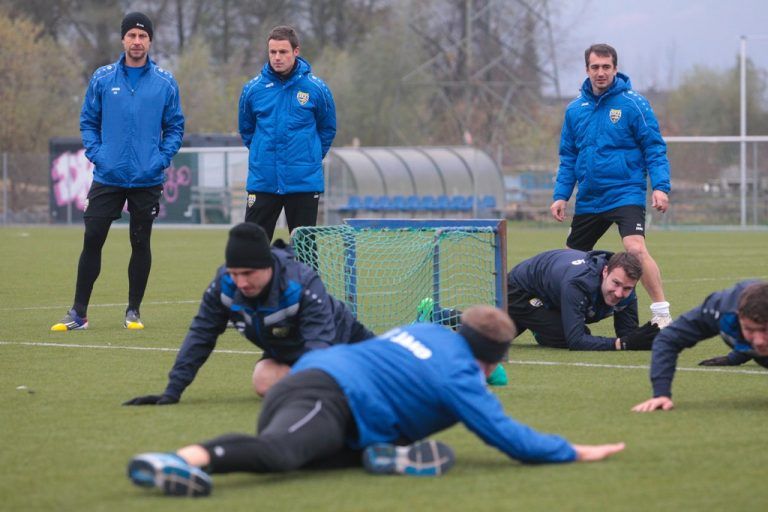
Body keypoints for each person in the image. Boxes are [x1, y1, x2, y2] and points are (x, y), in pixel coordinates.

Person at [126, 305, 625, 497]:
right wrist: (575, 450)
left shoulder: (428, 330)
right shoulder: (459, 376)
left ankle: (380, 454)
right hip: (326, 397)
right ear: (492, 358)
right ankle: (183, 461)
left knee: (321, 459)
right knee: (281, 454)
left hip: (324, 397)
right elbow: (510, 439)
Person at [123, 223, 374, 403]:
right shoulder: (224, 285)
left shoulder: (302, 283)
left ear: (267, 266)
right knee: (263, 380)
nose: (240, 282)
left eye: (248, 274)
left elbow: (319, 345)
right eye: (234, 273)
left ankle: (354, 381)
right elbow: (201, 334)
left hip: (344, 345)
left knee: (382, 377)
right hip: (290, 354)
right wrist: (172, 391)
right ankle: (340, 385)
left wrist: (313, 386)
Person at [50, 12, 185, 332]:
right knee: (92, 238)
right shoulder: (102, 78)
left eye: (142, 36)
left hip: (147, 178)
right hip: (108, 177)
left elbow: (176, 126)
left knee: (141, 242)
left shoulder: (165, 82)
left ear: (150, 41)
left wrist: (161, 158)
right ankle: (79, 313)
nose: (136, 42)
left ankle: (133, 311)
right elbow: (88, 121)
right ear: (123, 39)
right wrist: (99, 156)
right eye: (131, 36)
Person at [550, 43, 672, 328]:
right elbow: (568, 157)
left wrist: (660, 186)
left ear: (615, 69)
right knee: (569, 260)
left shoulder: (633, 104)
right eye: (595, 67)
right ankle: (561, 315)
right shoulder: (574, 110)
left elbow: (654, 147)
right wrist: (561, 195)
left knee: (635, 249)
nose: (601, 72)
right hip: (590, 198)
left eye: (606, 67)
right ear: (587, 70)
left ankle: (661, 312)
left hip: (625, 191)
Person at [238, 25, 336, 241]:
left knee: (306, 253)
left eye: (283, 52)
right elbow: (247, 130)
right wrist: (262, 154)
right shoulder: (252, 90)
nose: (277, 57)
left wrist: (310, 156)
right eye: (272, 52)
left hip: (303, 181)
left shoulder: (316, 89)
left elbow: (327, 129)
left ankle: (303, 277)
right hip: (263, 180)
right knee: (252, 248)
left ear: (296, 52)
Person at [632, 281, 768, 413]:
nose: (759, 341)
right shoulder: (719, 310)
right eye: (749, 329)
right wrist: (661, 393)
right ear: (739, 317)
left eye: (764, 330)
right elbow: (667, 339)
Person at [506, 249, 659, 351]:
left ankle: (540, 321)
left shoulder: (628, 292)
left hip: (552, 293)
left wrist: (645, 339)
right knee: (570, 335)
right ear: (605, 271)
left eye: (627, 288)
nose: (619, 293)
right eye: (616, 283)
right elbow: (576, 341)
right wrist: (620, 344)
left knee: (498, 338)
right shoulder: (579, 284)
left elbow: (628, 335)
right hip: (518, 291)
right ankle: (539, 328)